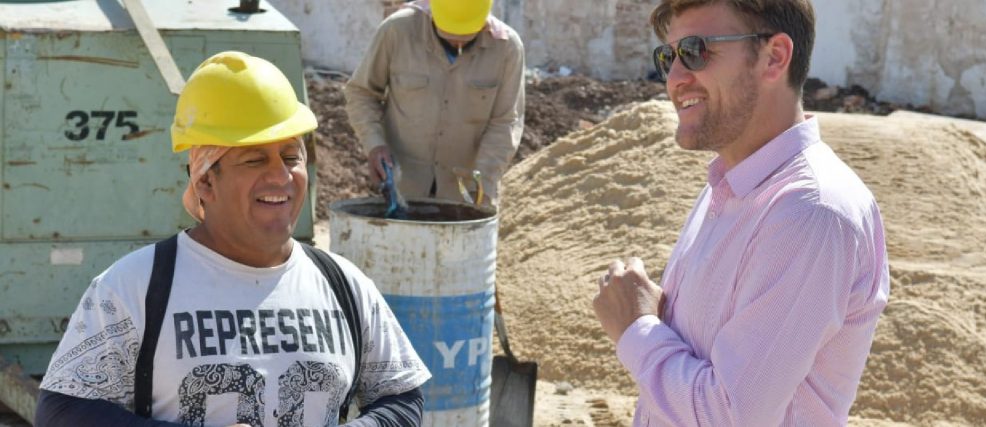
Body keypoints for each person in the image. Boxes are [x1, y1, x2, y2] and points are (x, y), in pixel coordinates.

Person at [35, 51, 431, 427]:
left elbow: (403, 397)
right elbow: (61, 412)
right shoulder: (134, 288)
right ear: (205, 180)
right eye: (254, 159)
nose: (281, 177)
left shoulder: (343, 284)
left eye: (291, 157)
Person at [591, 1, 889, 425]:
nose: (674, 78)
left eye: (696, 51)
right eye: (667, 57)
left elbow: (730, 414)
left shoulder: (810, 213)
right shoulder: (731, 187)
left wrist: (636, 327)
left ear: (774, 57)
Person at [345, 0, 525, 207]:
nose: (458, 46)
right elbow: (361, 92)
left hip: (467, 195)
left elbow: (506, 121)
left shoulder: (507, 48)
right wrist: (374, 143)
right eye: (449, 38)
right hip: (401, 189)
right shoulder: (397, 31)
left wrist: (483, 181)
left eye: (466, 40)